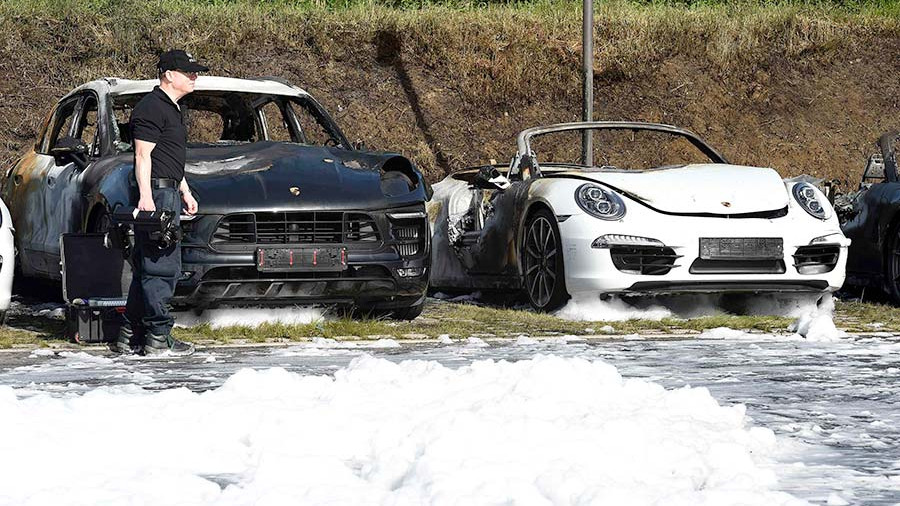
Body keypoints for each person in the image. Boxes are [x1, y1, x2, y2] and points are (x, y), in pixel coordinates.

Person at [114, 49, 207, 356]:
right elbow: (142, 156)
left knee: (146, 267)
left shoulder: (170, 108)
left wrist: (185, 190)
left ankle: (130, 335)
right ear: (169, 74)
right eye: (189, 72)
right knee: (161, 267)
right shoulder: (151, 108)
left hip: (167, 190)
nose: (195, 76)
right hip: (155, 194)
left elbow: (167, 158)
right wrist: (146, 197)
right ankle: (158, 337)